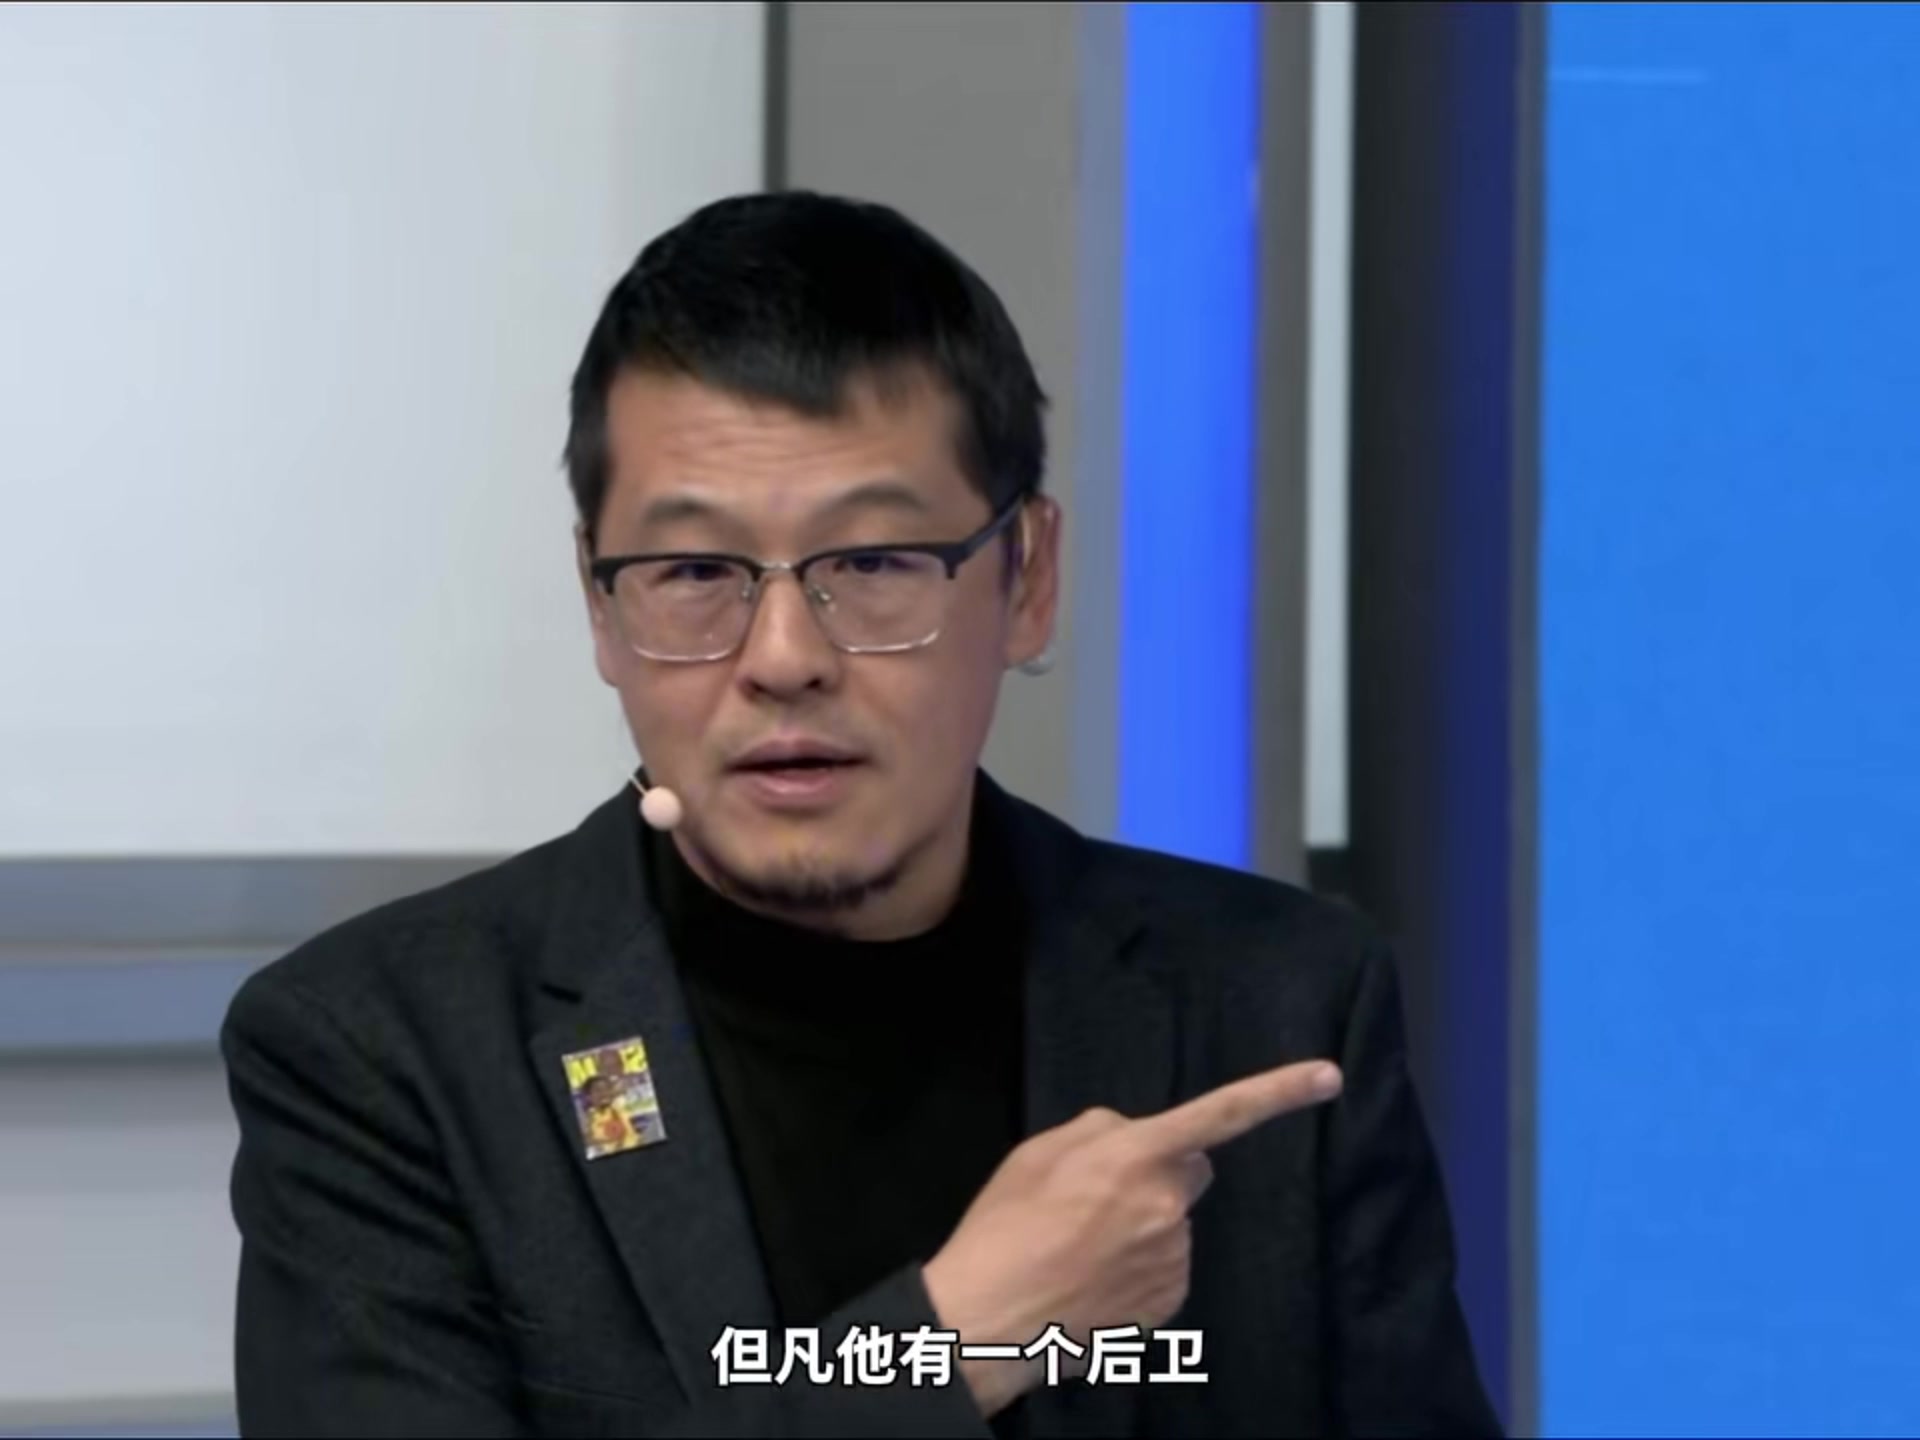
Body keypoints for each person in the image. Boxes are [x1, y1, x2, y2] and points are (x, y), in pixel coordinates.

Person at [221, 190, 1499, 1438]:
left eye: (875, 563)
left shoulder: (1274, 1005)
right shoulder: (386, 1053)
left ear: (1028, 579)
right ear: (601, 606)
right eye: (694, 571)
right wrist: (954, 1340)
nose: (783, 658)